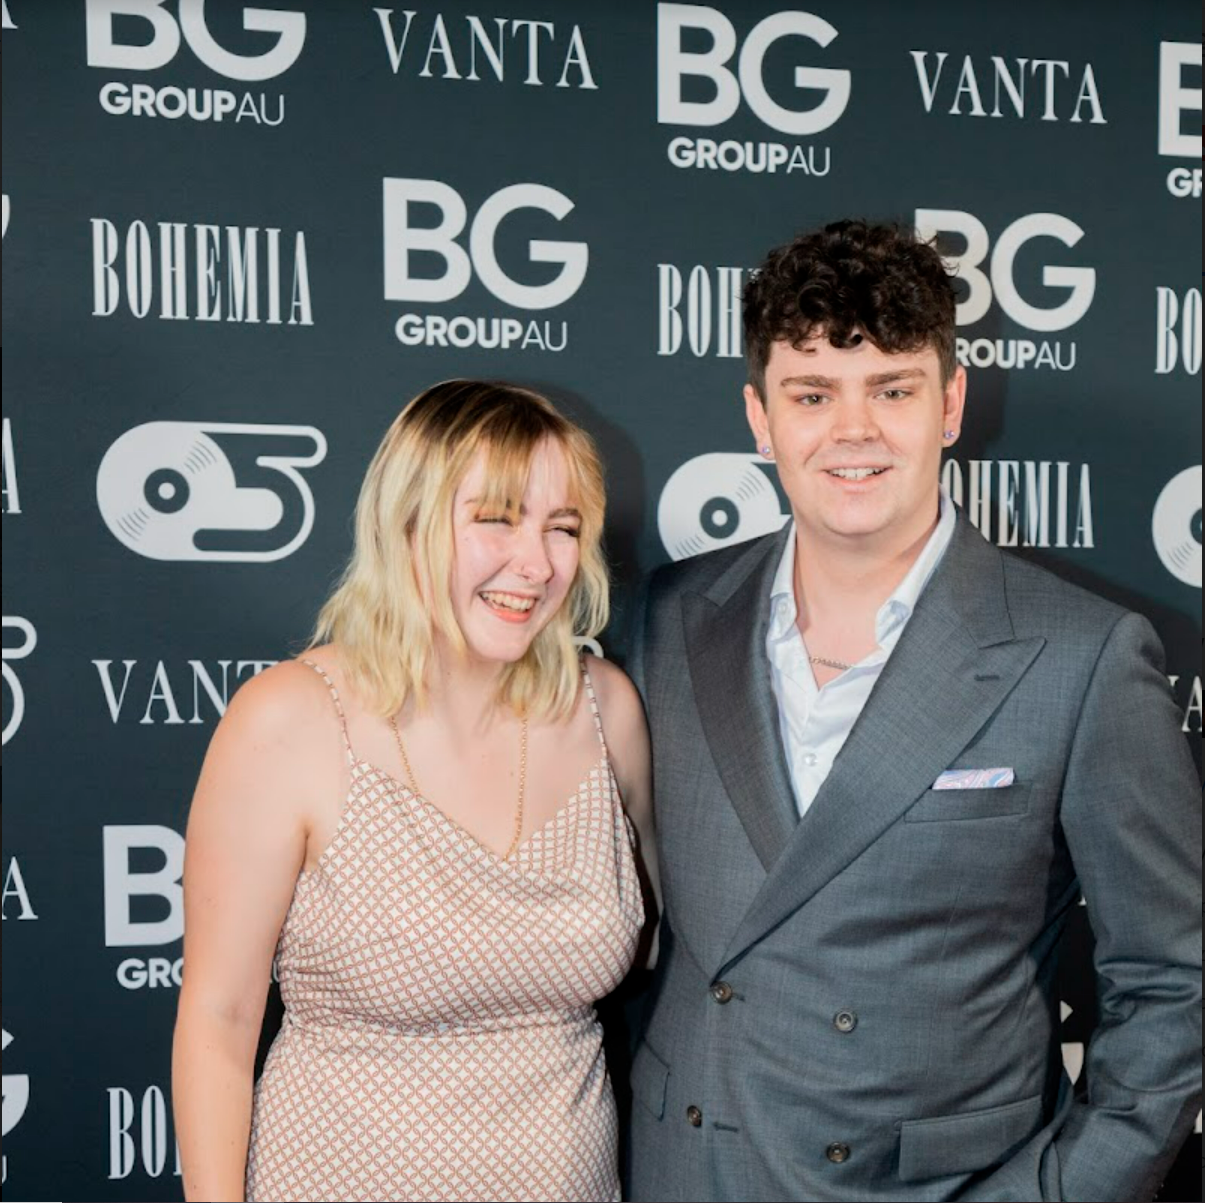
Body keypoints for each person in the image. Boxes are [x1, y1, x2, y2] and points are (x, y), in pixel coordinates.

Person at [626, 220, 1200, 1203]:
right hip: (691, 1167)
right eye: (811, 395)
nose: (852, 431)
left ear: (949, 403)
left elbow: (1173, 981)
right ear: (760, 417)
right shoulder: (666, 621)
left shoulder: (1080, 656)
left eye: (890, 389)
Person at [172, 379, 656, 1203]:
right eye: (496, 518)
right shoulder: (290, 720)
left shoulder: (605, 708)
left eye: (562, 527)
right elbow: (217, 1024)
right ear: (407, 523)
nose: (535, 563)